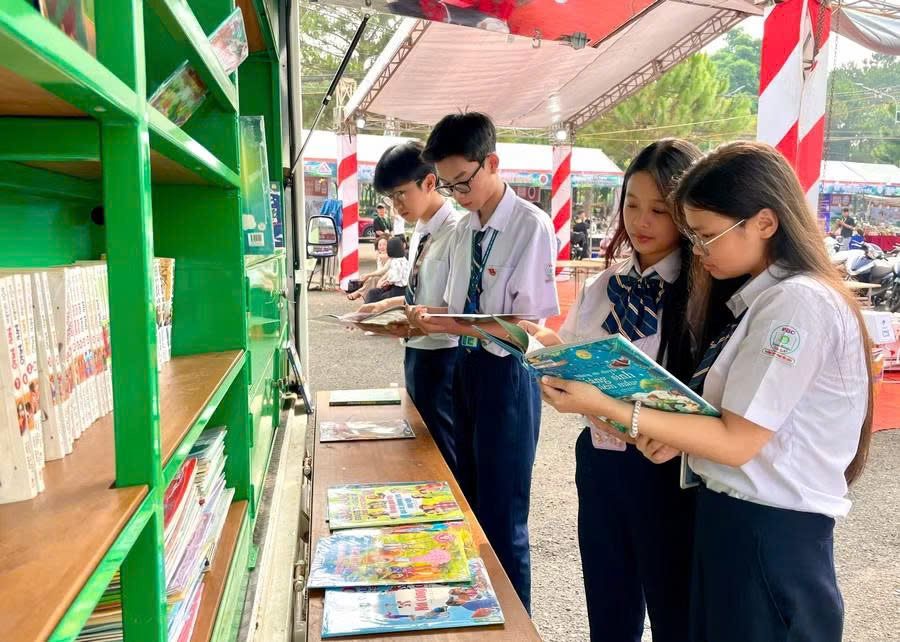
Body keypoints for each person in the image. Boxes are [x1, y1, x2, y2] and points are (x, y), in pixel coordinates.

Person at [540, 141, 872, 642]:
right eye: (692, 235)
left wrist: (607, 406)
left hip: (768, 528)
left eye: (706, 235)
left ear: (765, 222)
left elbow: (737, 441)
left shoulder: (795, 305)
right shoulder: (759, 299)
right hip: (732, 515)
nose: (697, 249)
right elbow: (724, 420)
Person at [521, 139, 701, 642]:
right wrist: (547, 353)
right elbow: (577, 356)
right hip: (600, 461)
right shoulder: (603, 285)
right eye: (632, 204)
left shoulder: (704, 292)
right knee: (607, 600)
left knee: (673, 609)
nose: (641, 221)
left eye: (659, 210)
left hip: (666, 470)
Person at [410, 112, 559, 613]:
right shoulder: (464, 229)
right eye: (447, 185)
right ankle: (478, 612)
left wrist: (451, 323)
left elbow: (525, 327)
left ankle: (517, 622)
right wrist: (425, 315)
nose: (457, 194)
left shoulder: (529, 226)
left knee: (503, 514)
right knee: (468, 503)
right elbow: (454, 305)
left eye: (463, 182)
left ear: (491, 163)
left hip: (508, 376)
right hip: (464, 369)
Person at [357, 142, 464, 471]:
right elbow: (420, 292)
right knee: (420, 443)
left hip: (444, 356)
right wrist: (387, 306)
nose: (397, 204)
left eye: (402, 193)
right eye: (391, 197)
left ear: (430, 182)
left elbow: (459, 311)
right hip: (416, 350)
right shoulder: (421, 228)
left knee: (443, 449)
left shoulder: (457, 232)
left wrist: (409, 320)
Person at [363, 236, 408, 304]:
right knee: (374, 292)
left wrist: (385, 282)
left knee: (373, 294)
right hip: (403, 289)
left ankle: (367, 308)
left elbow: (395, 278)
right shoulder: (403, 259)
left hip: (397, 291)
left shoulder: (396, 261)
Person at [347, 236, 390, 301]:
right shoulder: (379, 256)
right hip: (382, 277)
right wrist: (368, 276)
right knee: (370, 279)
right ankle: (367, 299)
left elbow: (383, 271)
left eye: (384, 244)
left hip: (389, 278)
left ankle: (358, 293)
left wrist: (368, 275)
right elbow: (379, 271)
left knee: (373, 279)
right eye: (380, 245)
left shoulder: (390, 257)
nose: (382, 247)